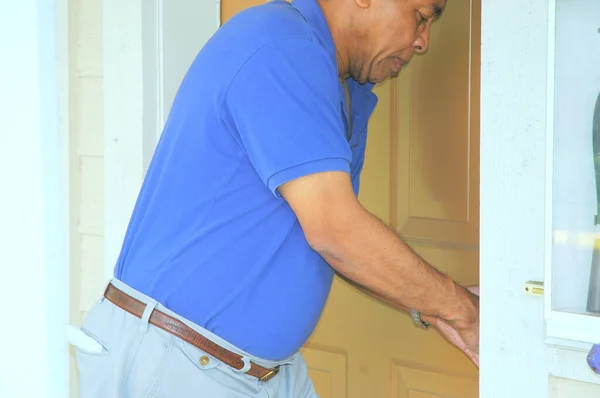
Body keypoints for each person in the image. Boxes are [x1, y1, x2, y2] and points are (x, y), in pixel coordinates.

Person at [73, 0, 479, 396]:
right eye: (421, 17)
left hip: (263, 371)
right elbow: (336, 232)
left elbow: (335, 243)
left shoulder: (344, 85)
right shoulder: (282, 47)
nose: (423, 41)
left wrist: (435, 304)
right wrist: (462, 311)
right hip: (180, 360)